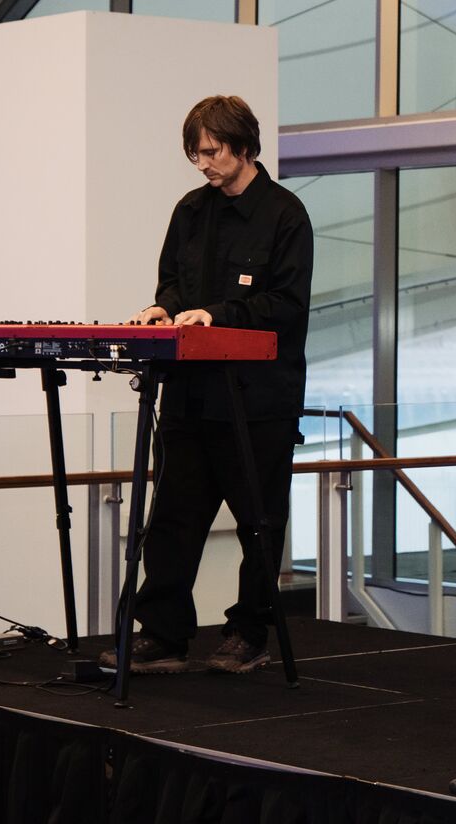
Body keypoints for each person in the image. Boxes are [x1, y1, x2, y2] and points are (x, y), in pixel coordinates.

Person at [99, 94, 314, 675]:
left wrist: (216, 314)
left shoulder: (286, 214)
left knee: (259, 525)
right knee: (171, 520)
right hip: (189, 394)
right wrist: (161, 309)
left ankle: (249, 633)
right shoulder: (190, 211)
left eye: (212, 152)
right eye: (195, 154)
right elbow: (173, 284)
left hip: (258, 401)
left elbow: (288, 304)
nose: (203, 164)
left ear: (242, 145)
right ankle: (163, 633)